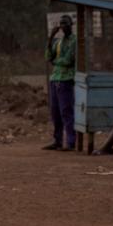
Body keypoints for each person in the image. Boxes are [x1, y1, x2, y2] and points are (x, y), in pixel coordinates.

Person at [44, 14, 77, 151]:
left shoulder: (74, 41)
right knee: (55, 112)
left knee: (66, 111)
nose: (63, 26)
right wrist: (51, 37)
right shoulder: (58, 41)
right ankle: (57, 140)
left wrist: (56, 62)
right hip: (55, 79)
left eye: (65, 23)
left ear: (71, 25)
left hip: (66, 79)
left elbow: (68, 60)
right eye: (61, 24)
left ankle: (70, 142)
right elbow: (48, 56)